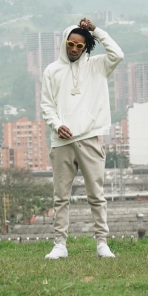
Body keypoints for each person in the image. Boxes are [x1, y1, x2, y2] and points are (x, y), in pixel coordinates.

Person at [40, 18, 124, 259]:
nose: (74, 49)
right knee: (61, 197)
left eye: (80, 45)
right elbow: (47, 105)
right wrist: (57, 125)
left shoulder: (98, 66)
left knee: (96, 195)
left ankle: (102, 243)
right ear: (64, 43)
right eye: (71, 44)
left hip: (90, 138)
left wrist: (95, 31)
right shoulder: (52, 70)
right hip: (61, 141)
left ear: (87, 46)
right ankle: (59, 245)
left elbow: (117, 54)